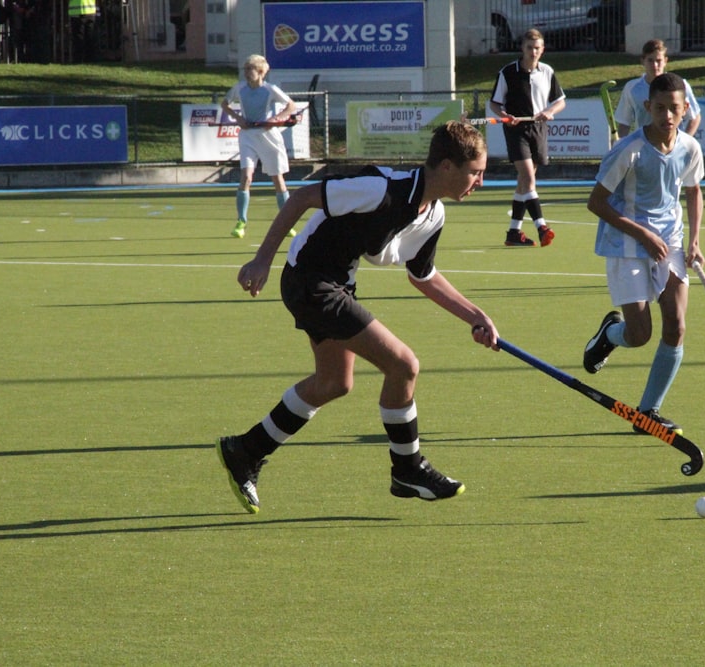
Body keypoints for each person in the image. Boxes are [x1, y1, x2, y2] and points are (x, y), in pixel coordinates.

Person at [216, 121, 498, 514]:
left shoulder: (432, 215)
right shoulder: (381, 188)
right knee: (403, 365)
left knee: (334, 382)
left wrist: (475, 315)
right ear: (448, 167)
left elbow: (423, 276)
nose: (480, 181)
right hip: (309, 280)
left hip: (337, 282)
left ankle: (245, 450)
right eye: (475, 172)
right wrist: (262, 259)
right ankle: (408, 468)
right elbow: (301, 199)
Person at [583, 72, 705, 434]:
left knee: (677, 325)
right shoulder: (629, 151)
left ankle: (648, 412)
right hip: (627, 243)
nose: (668, 116)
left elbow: (694, 192)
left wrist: (695, 241)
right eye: (661, 108)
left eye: (675, 109)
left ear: (685, 111)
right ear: (648, 107)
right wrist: (643, 235)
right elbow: (596, 203)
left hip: (671, 240)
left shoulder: (689, 148)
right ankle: (610, 334)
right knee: (639, 335)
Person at [489, 28, 566, 247]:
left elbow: (560, 101)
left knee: (524, 183)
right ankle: (542, 227)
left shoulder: (547, 72)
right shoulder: (508, 72)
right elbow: (495, 103)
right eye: (530, 48)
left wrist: (550, 112)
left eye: (538, 48)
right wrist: (505, 116)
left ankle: (513, 233)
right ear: (522, 48)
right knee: (529, 179)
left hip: (538, 129)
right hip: (516, 130)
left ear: (542, 50)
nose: (534, 52)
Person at [221, 54, 299, 240]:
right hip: (248, 136)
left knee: (277, 180)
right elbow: (225, 104)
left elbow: (291, 106)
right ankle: (241, 222)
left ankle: (286, 222)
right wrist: (238, 118)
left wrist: (275, 119)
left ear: (261, 72)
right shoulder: (239, 89)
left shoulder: (270, 89)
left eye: (251, 70)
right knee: (246, 176)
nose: (247, 73)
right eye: (246, 69)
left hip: (268, 137)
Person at [614, 39, 701, 140]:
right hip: (643, 148)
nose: (655, 65)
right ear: (643, 61)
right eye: (650, 60)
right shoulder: (632, 88)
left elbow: (695, 117)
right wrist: (619, 147)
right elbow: (625, 123)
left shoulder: (680, 85)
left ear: (665, 61)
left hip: (672, 150)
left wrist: (684, 142)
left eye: (658, 61)